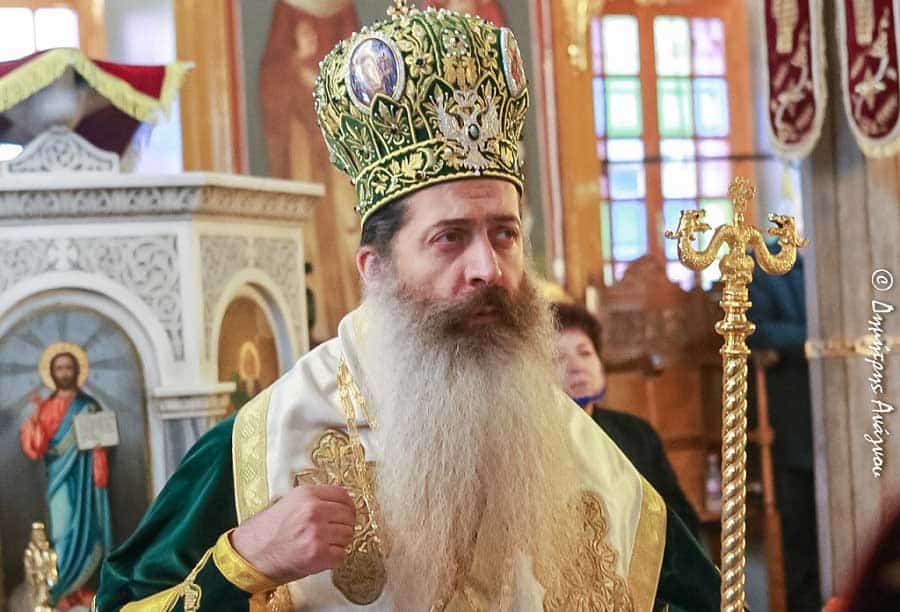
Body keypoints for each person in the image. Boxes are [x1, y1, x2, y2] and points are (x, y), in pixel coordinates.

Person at [94, 4, 720, 610]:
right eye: (450, 237)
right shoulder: (267, 444)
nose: (487, 268)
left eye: (504, 234)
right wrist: (243, 562)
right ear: (376, 269)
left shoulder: (579, 449)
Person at [553, 302, 702, 539]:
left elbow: (678, 518)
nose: (576, 367)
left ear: (601, 364)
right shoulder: (536, 445)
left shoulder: (638, 434)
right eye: (560, 358)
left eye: (585, 353)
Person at [747, 245, 821, 612]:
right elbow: (757, 332)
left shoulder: (829, 262)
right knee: (799, 534)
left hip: (840, 416)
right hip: (792, 424)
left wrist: (802, 341)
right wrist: (816, 339)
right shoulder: (761, 266)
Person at [20, 348, 113, 610]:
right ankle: (62, 590)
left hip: (85, 480)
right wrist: (34, 419)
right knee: (62, 531)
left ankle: (82, 590)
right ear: (51, 373)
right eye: (59, 368)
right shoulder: (45, 407)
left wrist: (99, 450)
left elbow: (103, 440)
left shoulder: (88, 406)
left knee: (87, 529)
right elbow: (35, 447)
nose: (64, 373)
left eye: (68, 368)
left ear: (76, 371)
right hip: (58, 479)